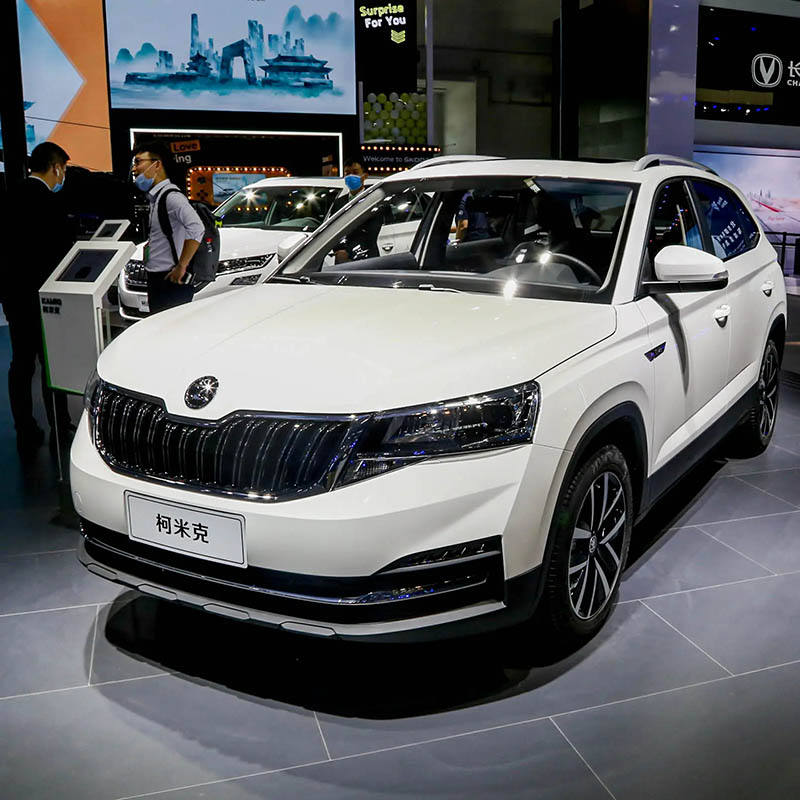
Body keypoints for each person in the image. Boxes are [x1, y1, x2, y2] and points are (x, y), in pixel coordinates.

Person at [1, 141, 74, 456]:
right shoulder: (50, 203)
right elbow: (63, 251)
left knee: (20, 364)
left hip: (15, 297)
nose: (63, 176)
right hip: (45, 297)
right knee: (50, 363)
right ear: (55, 167)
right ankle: (60, 423)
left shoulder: (9, 196)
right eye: (64, 169)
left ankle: (25, 428)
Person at [131, 140, 204, 313]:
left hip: (170, 280)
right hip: (158, 279)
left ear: (156, 164)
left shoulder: (172, 197)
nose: (134, 169)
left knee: (171, 327)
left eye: (138, 162)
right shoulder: (156, 198)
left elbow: (196, 228)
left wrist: (182, 266)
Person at [333, 159, 382, 263]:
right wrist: (339, 249)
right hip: (341, 258)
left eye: (355, 173)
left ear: (365, 176)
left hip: (366, 257)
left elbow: (371, 233)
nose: (350, 176)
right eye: (347, 173)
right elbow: (332, 229)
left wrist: (349, 252)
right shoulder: (339, 202)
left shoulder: (373, 200)